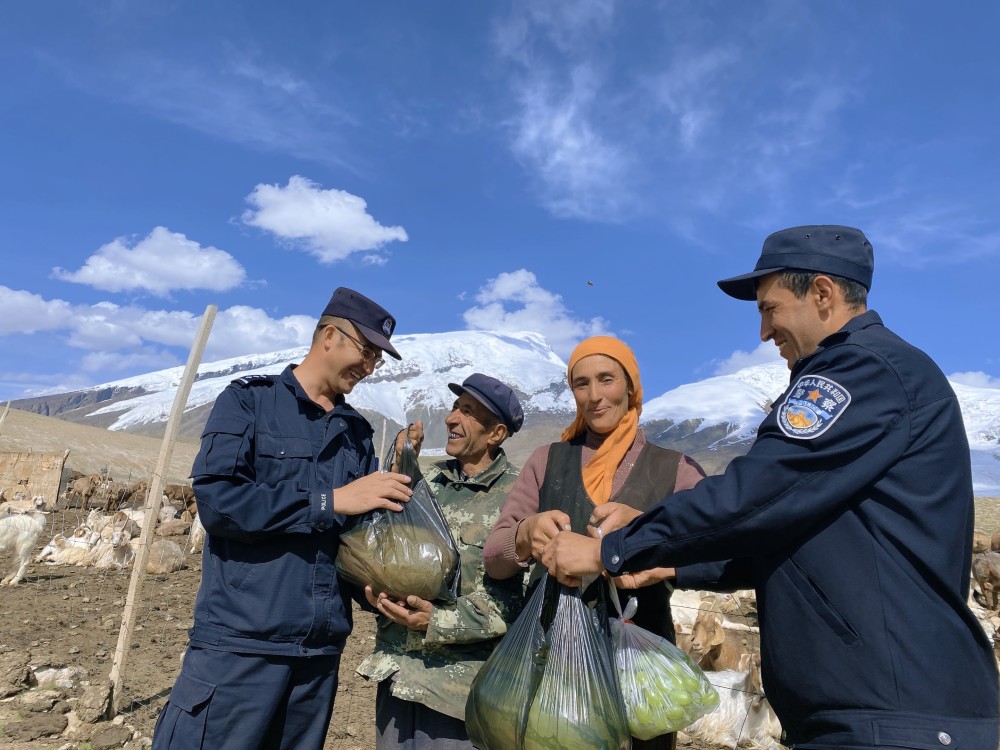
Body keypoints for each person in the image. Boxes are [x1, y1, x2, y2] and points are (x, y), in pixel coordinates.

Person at [541, 225, 1000, 749]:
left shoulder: (860, 371)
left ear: (823, 294)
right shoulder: (870, 375)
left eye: (770, 309)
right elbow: (791, 538)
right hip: (874, 714)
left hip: (897, 717)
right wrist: (670, 562)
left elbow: (759, 492)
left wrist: (612, 550)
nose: (763, 332)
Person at [152, 287, 417, 750]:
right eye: (367, 351)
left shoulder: (356, 433)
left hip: (317, 657)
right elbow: (219, 503)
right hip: (240, 647)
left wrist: (387, 590)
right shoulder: (248, 402)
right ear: (330, 335)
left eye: (378, 358)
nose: (371, 366)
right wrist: (328, 500)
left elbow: (350, 542)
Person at [483, 335, 707, 750]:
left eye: (606, 379)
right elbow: (495, 559)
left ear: (630, 386)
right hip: (551, 666)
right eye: (581, 384)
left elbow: (715, 548)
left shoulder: (675, 470)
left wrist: (647, 530)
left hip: (638, 673)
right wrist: (525, 535)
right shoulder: (546, 460)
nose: (594, 395)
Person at [357, 373, 528, 749]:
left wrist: (438, 621)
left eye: (467, 411)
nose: (451, 419)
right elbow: (378, 546)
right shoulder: (424, 484)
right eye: (454, 407)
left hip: (460, 694)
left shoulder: (521, 499)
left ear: (496, 433)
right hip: (398, 679)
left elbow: (522, 602)